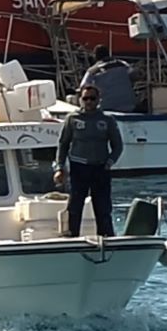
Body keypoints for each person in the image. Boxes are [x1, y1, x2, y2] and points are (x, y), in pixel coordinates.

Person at [54, 82, 126, 238]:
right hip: (79, 167)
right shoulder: (72, 118)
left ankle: (106, 236)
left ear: (98, 100)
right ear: (80, 99)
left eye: (92, 98)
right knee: (75, 205)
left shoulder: (107, 120)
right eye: (85, 98)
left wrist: (110, 162)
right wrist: (60, 167)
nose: (88, 102)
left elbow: (118, 145)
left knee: (103, 207)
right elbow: (63, 143)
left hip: (100, 168)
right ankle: (72, 235)